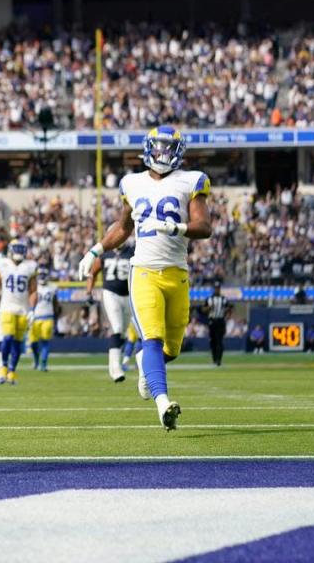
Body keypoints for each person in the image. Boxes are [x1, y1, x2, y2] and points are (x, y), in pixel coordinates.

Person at [78, 125, 212, 430]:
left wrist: (177, 228)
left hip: (177, 273)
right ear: (148, 148)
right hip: (143, 272)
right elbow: (124, 227)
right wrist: (96, 250)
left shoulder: (191, 180)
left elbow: (204, 226)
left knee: (172, 349)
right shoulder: (132, 183)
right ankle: (163, 402)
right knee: (151, 338)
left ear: (178, 151)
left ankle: (143, 364)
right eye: (158, 147)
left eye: (169, 148)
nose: (162, 153)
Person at [84, 240, 134, 382]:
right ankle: (116, 368)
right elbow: (92, 272)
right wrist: (89, 292)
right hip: (110, 293)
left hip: (129, 295)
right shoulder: (106, 253)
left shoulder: (132, 252)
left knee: (123, 333)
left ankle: (113, 365)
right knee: (116, 328)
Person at [0, 239, 38, 385]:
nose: (18, 251)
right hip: (6, 307)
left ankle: (12, 371)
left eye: (20, 248)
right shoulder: (2, 263)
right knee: (8, 338)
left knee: (18, 343)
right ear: (10, 250)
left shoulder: (30, 266)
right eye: (16, 248)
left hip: (23, 309)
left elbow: (33, 290)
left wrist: (32, 310)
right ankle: (3, 367)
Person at [29, 269, 59, 371]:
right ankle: (36, 359)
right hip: (35, 317)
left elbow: (55, 302)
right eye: (40, 275)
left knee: (45, 341)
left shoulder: (53, 287)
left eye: (43, 275)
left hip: (48, 316)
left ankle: (43, 363)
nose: (42, 277)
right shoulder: (34, 287)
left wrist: (55, 314)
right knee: (33, 343)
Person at [202, 281, 232, 366]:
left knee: (219, 341)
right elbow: (203, 309)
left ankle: (219, 360)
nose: (217, 290)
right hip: (212, 321)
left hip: (220, 321)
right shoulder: (209, 299)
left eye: (218, 288)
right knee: (213, 341)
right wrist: (209, 308)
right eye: (216, 288)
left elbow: (229, 308)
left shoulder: (224, 299)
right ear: (213, 289)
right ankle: (214, 359)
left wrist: (227, 315)